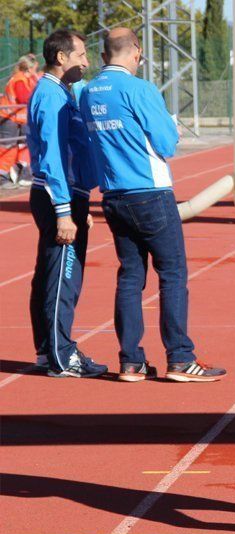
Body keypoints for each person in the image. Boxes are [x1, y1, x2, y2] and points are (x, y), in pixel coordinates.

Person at [80, 28, 226, 383]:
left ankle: (131, 361)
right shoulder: (139, 88)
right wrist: (170, 128)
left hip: (113, 195)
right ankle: (180, 357)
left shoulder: (87, 92)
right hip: (150, 192)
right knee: (173, 274)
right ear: (136, 53)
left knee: (130, 277)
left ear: (103, 55)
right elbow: (166, 141)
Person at [27, 29, 107, 377]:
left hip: (67, 195)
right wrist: (64, 211)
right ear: (61, 58)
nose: (87, 62)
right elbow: (54, 155)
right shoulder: (51, 95)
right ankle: (61, 356)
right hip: (56, 196)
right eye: (81, 55)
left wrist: (81, 204)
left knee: (50, 274)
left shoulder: (61, 92)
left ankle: (49, 351)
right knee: (62, 277)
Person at [0, 56, 38, 189]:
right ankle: (2, 177)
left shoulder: (22, 78)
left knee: (17, 147)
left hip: (14, 117)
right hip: (8, 116)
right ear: (30, 68)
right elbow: (23, 97)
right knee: (7, 147)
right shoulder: (20, 80)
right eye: (35, 68)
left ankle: (16, 171)